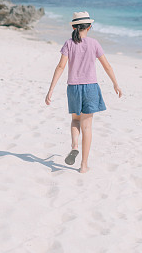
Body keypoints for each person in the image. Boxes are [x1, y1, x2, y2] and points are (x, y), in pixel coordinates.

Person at [45, 11, 122, 173]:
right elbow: (107, 66)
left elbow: (60, 66)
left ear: (73, 27)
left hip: (73, 88)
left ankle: (74, 145)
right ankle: (84, 165)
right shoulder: (94, 43)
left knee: (75, 120)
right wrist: (115, 84)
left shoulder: (68, 44)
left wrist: (50, 90)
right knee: (87, 127)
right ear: (89, 27)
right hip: (91, 88)